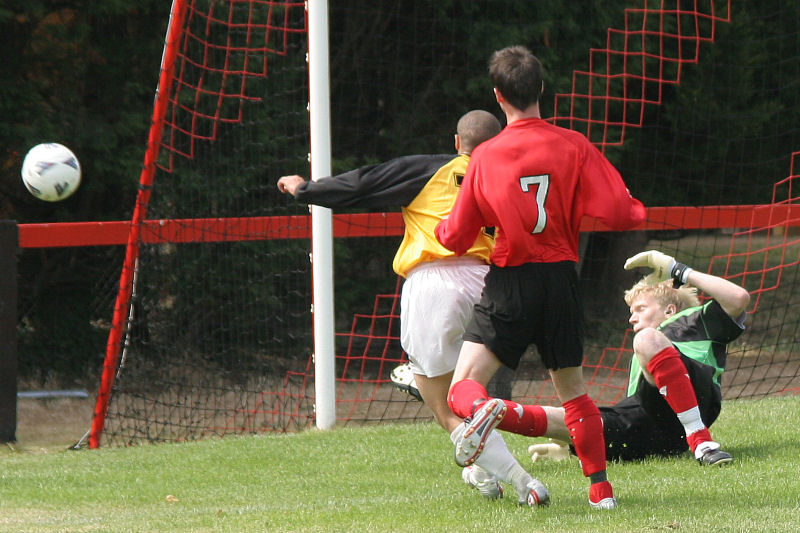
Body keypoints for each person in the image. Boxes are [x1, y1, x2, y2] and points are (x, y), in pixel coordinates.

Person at [277, 110, 549, 506]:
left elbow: (363, 184)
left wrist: (305, 189)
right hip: (493, 287)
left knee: (445, 409)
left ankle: (526, 483)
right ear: (497, 143)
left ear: (457, 144)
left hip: (435, 286)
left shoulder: (430, 170)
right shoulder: (510, 180)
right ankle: (479, 468)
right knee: (474, 394)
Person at [435, 45, 646, 510]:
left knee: (462, 389)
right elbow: (619, 211)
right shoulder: (573, 144)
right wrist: (633, 205)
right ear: (541, 90)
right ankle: (601, 492)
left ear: (498, 96)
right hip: (560, 281)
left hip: (512, 280)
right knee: (574, 393)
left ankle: (495, 410)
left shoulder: (487, 156)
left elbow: (455, 235)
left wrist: (442, 227)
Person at [527, 249, 750, 465]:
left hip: (698, 396)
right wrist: (577, 441)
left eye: (640, 309)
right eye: (631, 313)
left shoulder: (693, 321)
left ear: (670, 310)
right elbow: (635, 408)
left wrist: (677, 270)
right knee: (573, 417)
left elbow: (738, 298)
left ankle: (701, 441)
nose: (632, 319)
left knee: (646, 339)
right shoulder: (641, 355)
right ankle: (494, 409)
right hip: (655, 432)